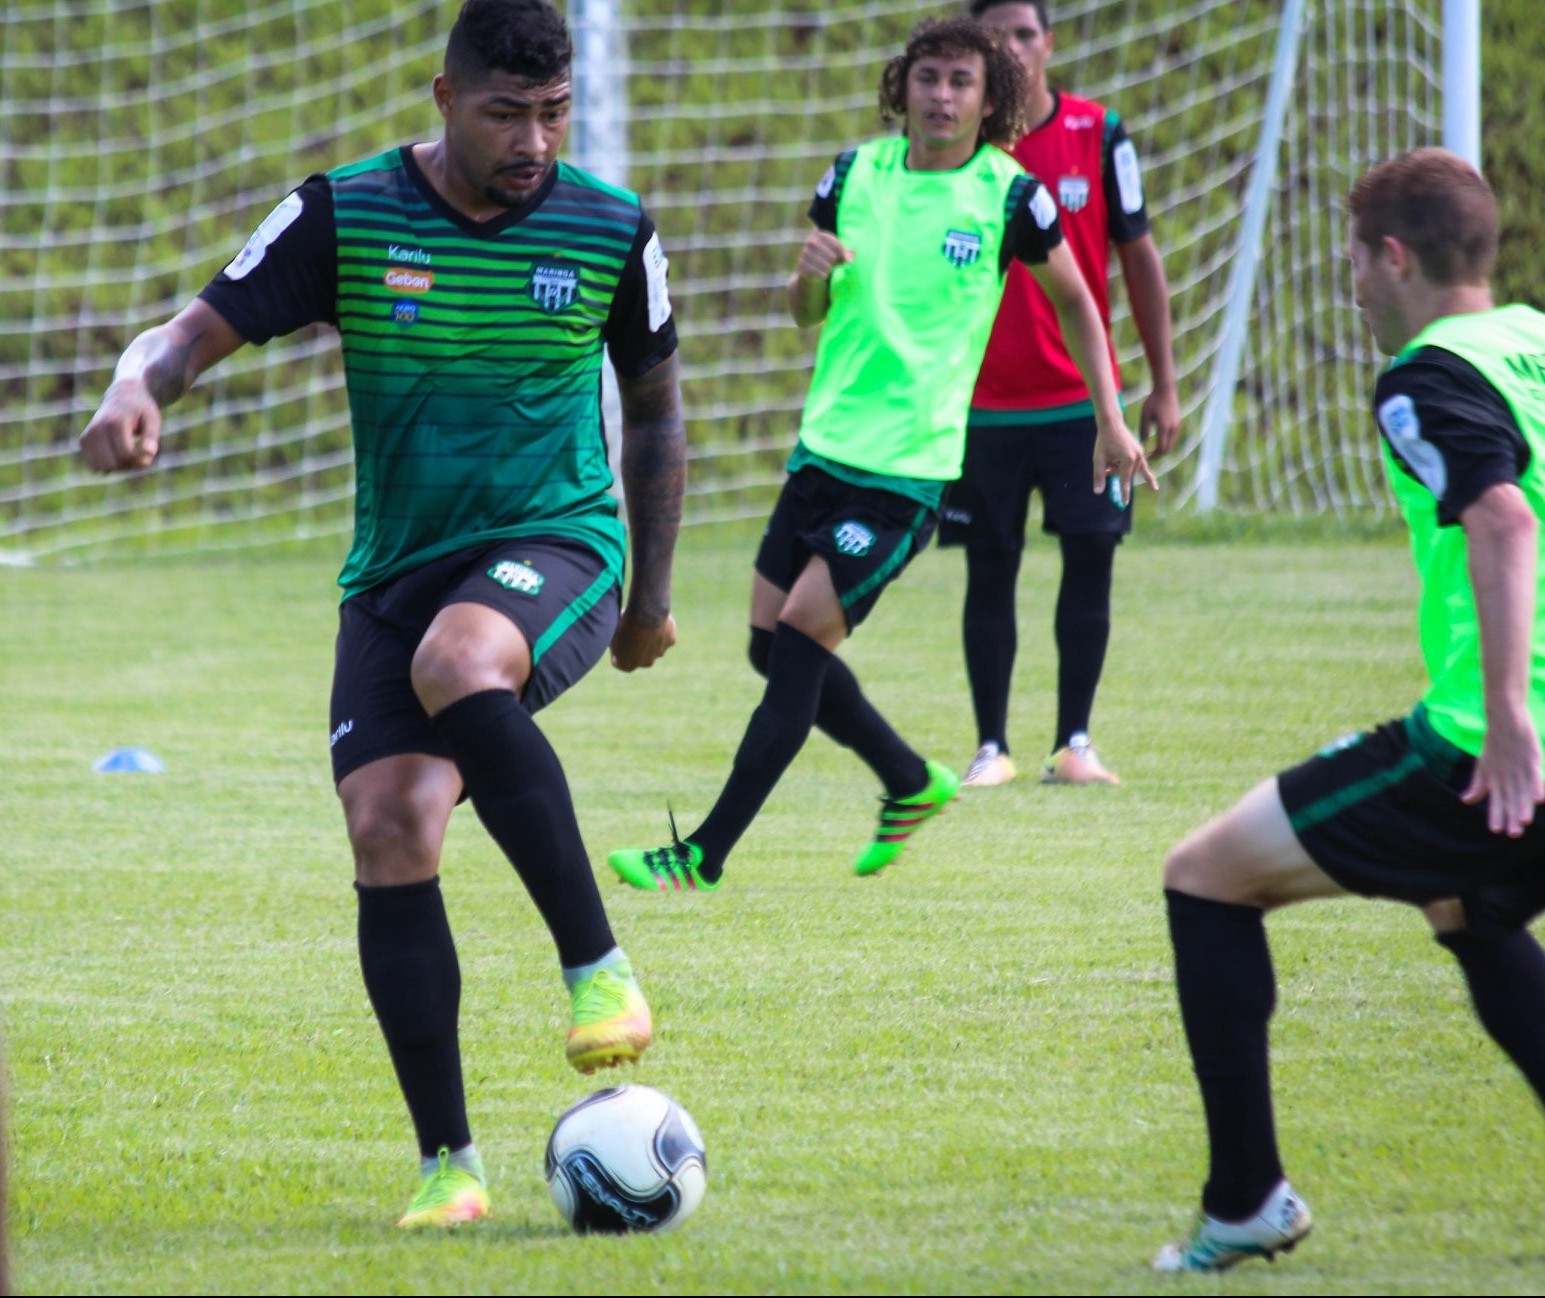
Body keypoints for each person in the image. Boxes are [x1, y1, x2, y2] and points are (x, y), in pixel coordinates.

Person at [77, 0, 686, 1230]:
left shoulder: (613, 229)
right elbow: (186, 333)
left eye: (554, 113)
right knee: (391, 823)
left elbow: (660, 413)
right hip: (396, 570)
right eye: (507, 113)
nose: (534, 140)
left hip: (559, 538)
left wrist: (650, 601)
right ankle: (449, 1166)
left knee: (463, 657)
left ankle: (599, 968)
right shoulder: (345, 212)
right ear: (442, 96)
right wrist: (133, 387)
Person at [607, 16, 1154, 894]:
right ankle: (908, 780)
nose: (941, 95)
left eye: (960, 82)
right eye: (927, 77)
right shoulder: (853, 174)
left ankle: (701, 855)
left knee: (792, 650)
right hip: (821, 454)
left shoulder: (1010, 197)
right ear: (902, 86)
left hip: (906, 472)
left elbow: (1079, 303)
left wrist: (1110, 417)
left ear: (989, 99)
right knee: (764, 646)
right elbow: (801, 311)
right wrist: (810, 273)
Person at [1154, 148, 1545, 1273]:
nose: (1354, 291)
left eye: (1353, 266)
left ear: (1392, 255)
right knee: (1468, 904)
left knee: (1203, 874)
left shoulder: (1427, 372)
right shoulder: (1532, 341)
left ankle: (1246, 1197)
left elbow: (1505, 520)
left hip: (1486, 744)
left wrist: (1511, 711)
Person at [942, 0, 1179, 789]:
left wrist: (1162, 384)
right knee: (988, 566)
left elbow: (1139, 259)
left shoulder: (1098, 135)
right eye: (994, 35)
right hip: (982, 406)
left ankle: (1074, 742)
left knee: (1089, 561)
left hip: (1085, 406)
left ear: (1047, 43)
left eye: (1022, 32)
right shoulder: (955, 150)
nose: (1010, 47)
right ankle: (990, 748)